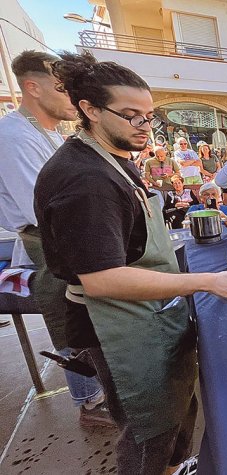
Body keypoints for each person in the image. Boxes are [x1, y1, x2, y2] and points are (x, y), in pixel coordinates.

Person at [35, 50, 227, 474]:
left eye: (150, 116)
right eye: (132, 116)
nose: (145, 127)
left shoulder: (109, 157)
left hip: (147, 314)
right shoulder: (84, 180)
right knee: (147, 429)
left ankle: (174, 468)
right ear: (89, 110)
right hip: (115, 324)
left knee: (171, 415)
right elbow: (101, 280)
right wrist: (205, 282)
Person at [0, 50, 110, 427]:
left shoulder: (43, 132)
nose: (72, 98)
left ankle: (99, 392)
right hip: (46, 240)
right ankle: (89, 403)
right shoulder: (14, 137)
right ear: (32, 87)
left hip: (66, 234)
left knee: (86, 316)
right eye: (63, 89)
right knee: (69, 318)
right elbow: (40, 207)